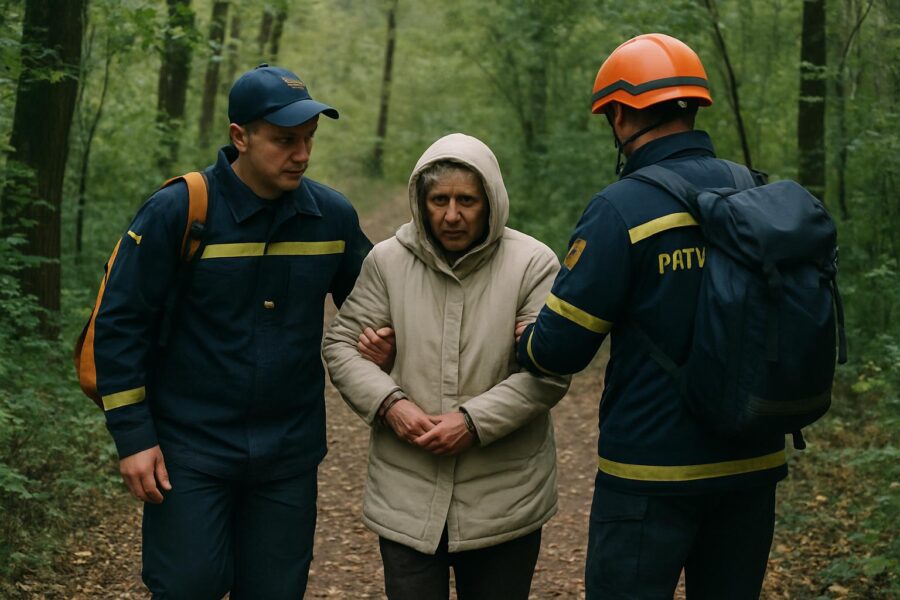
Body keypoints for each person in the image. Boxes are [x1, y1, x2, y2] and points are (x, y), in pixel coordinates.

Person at [83, 64, 372, 599]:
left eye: (309, 139)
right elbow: (120, 326)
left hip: (288, 452)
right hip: (189, 449)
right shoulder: (179, 210)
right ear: (239, 137)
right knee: (188, 585)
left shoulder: (331, 217)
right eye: (285, 141)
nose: (302, 155)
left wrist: (383, 339)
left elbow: (377, 303)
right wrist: (134, 438)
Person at [516, 34, 787, 599]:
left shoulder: (621, 208)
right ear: (692, 108)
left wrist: (528, 341)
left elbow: (560, 350)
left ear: (619, 115)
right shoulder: (756, 194)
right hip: (753, 464)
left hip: (650, 475)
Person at [322, 133, 570, 600]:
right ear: (421, 200)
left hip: (505, 499)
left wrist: (472, 422)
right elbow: (340, 345)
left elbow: (550, 371)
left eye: (467, 200)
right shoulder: (388, 261)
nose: (452, 215)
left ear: (490, 201)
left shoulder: (532, 263)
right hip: (406, 495)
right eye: (439, 199)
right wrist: (390, 403)